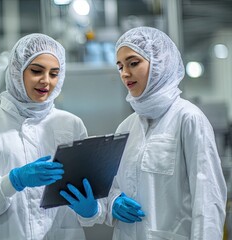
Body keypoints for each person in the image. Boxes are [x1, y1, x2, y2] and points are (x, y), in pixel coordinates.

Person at [61, 26, 228, 239]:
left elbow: (208, 200)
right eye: (120, 66)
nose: (124, 73)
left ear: (159, 63)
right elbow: (115, 187)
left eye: (133, 63)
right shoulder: (126, 127)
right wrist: (111, 203)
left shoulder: (188, 118)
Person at [0, 33, 94, 240]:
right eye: (36, 71)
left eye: (54, 74)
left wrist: (92, 209)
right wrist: (12, 181)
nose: (46, 81)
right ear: (17, 71)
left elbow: (89, 196)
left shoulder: (71, 125)